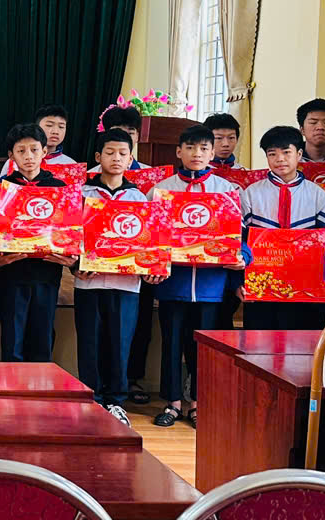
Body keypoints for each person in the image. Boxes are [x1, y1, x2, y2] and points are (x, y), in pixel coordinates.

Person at [151, 124, 250, 428]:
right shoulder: (161, 189)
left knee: (203, 346)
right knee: (171, 343)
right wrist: (151, 267)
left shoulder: (227, 191)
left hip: (211, 285)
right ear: (178, 151)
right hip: (173, 281)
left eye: (204, 148)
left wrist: (242, 261)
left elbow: (241, 237)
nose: (197, 153)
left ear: (212, 153)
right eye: (190, 148)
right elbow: (149, 236)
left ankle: (197, 402)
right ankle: (172, 402)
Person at [75, 129, 159, 427]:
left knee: (120, 343)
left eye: (123, 153)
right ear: (98, 157)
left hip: (127, 285)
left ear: (131, 158)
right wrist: (75, 265)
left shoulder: (139, 197)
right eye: (109, 152)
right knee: (90, 343)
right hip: (88, 282)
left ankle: (116, 401)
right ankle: (92, 399)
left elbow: (148, 241)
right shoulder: (82, 194)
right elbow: (71, 236)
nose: (116, 158)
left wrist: (152, 267)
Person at [239, 126, 325, 331]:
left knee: (303, 340)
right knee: (259, 342)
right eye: (272, 154)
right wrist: (240, 281)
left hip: (306, 285)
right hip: (262, 284)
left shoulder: (316, 194)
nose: (279, 159)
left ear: (299, 154)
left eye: (286, 152)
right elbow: (240, 238)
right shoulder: (251, 193)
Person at [0, 122, 72, 363]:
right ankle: (10, 386)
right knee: (12, 339)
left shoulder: (60, 189)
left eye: (34, 149)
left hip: (47, 274)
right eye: (21, 150)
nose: (28, 156)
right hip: (12, 273)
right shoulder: (2, 189)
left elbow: (69, 232)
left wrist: (69, 254)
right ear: (11, 155)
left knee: (42, 337)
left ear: (44, 152)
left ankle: (41, 385)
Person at [204, 112, 245, 327]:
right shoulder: (197, 172)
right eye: (218, 138)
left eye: (231, 138)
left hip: (235, 251)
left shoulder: (246, 175)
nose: (226, 144)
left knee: (226, 313)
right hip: (203, 252)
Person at [0, 104, 75, 176]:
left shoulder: (71, 165)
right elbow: (1, 185)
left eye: (61, 127)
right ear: (37, 127)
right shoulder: (14, 161)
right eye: (49, 125)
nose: (55, 131)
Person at [90, 106, 145, 172]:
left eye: (130, 133)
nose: (124, 138)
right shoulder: (89, 176)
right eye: (117, 132)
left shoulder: (149, 175)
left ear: (137, 137)